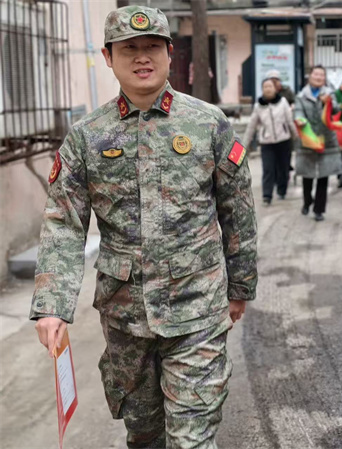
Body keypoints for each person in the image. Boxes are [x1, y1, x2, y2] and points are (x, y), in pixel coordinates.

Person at [30, 6, 257, 448]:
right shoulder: (87, 136)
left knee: (192, 438)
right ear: (108, 57)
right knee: (144, 434)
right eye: (129, 48)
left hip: (197, 308)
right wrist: (52, 304)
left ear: (170, 53)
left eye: (152, 46)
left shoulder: (207, 123)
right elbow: (64, 223)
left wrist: (240, 285)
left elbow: (237, 210)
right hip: (125, 317)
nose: (141, 57)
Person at [295, 65, 342, 221]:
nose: (318, 77)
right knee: (307, 174)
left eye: (321, 75)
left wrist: (327, 102)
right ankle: (307, 201)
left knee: (323, 175)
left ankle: (319, 210)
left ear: (324, 78)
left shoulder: (329, 93)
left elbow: (336, 110)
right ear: (310, 76)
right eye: (316, 74)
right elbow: (298, 111)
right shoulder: (301, 95)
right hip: (308, 139)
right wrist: (299, 120)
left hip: (326, 139)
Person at [243, 78, 298, 205]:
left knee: (283, 168)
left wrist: (296, 136)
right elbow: (251, 126)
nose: (268, 89)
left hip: (283, 141)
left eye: (270, 86)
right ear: (262, 89)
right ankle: (267, 195)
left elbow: (289, 121)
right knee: (268, 169)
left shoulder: (283, 102)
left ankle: (282, 191)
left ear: (275, 89)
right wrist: (244, 144)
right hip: (267, 143)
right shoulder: (258, 106)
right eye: (265, 87)